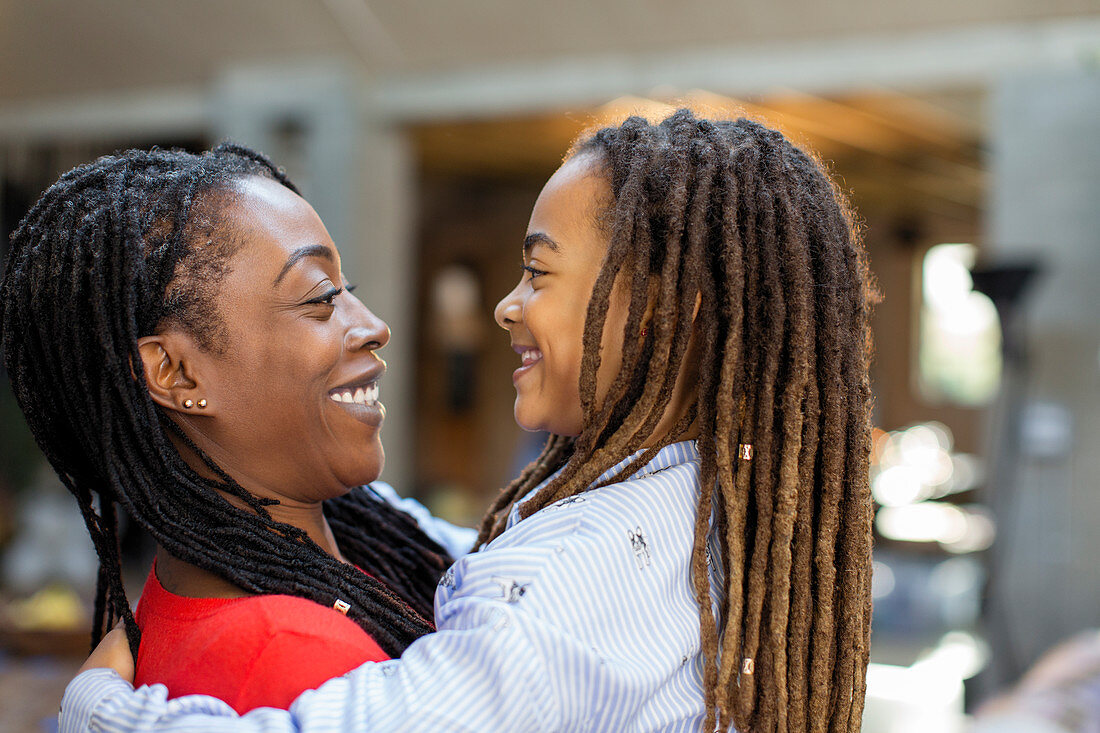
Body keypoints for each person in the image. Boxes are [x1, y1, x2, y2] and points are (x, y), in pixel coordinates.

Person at [59, 109, 875, 732]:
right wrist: (335, 500)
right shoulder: (679, 504)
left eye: (538, 271)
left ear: (665, 314)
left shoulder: (582, 581)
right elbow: (482, 560)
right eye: (317, 298)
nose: (507, 304)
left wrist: (103, 710)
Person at [0, 144, 472, 713]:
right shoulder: (300, 659)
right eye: (321, 298)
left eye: (351, 290)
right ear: (175, 372)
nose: (374, 326)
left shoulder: (324, 550)